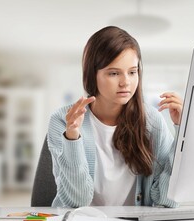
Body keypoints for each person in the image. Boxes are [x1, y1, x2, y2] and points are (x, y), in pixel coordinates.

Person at [47, 26, 183, 208]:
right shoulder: (62, 121)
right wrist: (72, 137)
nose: (125, 82)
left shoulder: (151, 120)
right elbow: (76, 202)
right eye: (114, 73)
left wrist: (183, 132)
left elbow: (166, 199)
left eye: (132, 72)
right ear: (92, 74)